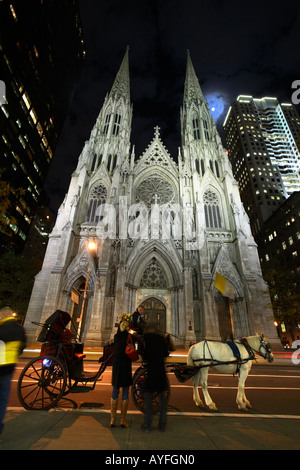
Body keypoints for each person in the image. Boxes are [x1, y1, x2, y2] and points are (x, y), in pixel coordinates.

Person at [0, 310, 26, 437]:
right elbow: (23, 345)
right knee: (2, 399)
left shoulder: (1, 328)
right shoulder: (18, 329)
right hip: (8, 368)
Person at [141, 324, 169, 432]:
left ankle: (148, 425)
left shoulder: (147, 340)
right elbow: (166, 353)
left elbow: (145, 356)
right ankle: (162, 425)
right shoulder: (161, 339)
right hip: (161, 373)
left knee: (148, 399)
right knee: (162, 400)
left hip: (152, 373)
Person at [110, 314, 134, 428]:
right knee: (125, 391)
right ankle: (122, 420)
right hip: (125, 365)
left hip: (117, 365)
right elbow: (134, 335)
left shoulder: (116, 337)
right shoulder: (129, 337)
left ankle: (112, 420)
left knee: (115, 391)